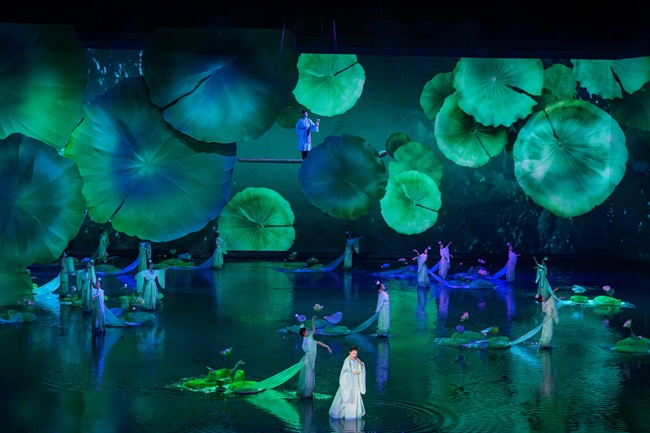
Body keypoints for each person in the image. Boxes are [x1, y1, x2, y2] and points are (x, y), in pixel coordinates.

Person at [297, 316, 333, 398]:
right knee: (307, 375)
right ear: (304, 333)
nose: (308, 331)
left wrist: (312, 321)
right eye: (306, 331)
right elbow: (317, 342)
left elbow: (313, 330)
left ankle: (308, 392)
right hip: (307, 360)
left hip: (308, 359)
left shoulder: (309, 338)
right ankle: (305, 392)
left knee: (310, 375)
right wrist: (326, 346)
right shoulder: (306, 341)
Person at [329, 346, 366, 420]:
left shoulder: (355, 359)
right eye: (353, 353)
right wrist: (353, 373)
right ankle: (345, 413)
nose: (354, 355)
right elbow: (344, 373)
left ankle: (354, 414)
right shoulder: (347, 361)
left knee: (355, 396)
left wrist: (361, 364)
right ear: (349, 352)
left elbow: (361, 364)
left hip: (355, 382)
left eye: (356, 354)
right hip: (348, 383)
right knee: (346, 397)